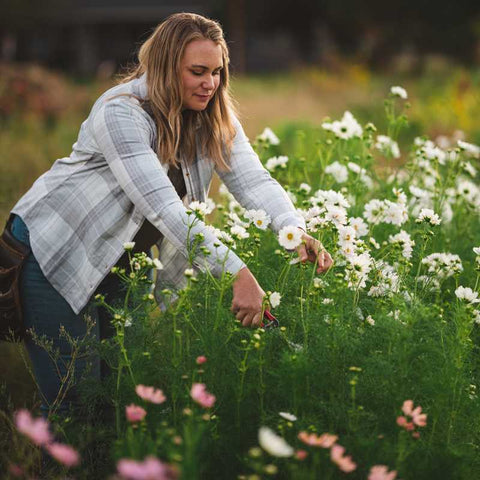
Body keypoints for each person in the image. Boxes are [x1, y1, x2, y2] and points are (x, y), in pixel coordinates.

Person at [8, 12, 333, 415]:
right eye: (197, 71)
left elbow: (254, 182)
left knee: (119, 393)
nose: (210, 84)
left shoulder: (213, 116)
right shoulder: (121, 111)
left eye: (216, 72)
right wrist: (238, 273)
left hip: (123, 262)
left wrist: (293, 229)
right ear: (164, 68)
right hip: (56, 249)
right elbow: (162, 207)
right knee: (73, 401)